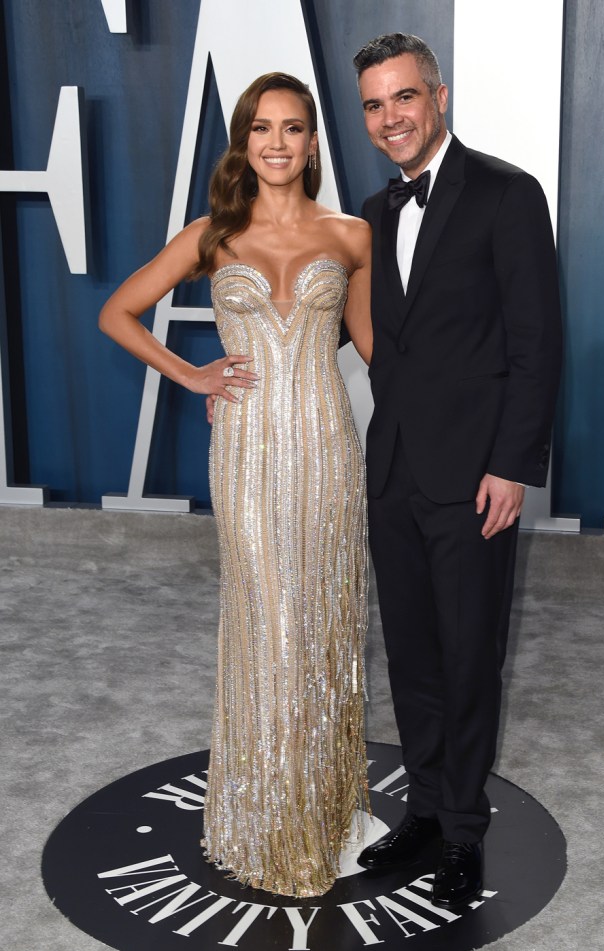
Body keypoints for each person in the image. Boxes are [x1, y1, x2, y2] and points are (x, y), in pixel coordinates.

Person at [99, 71, 373, 898]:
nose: (278, 143)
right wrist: (191, 374)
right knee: (270, 622)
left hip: (329, 451)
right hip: (248, 453)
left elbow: (379, 349)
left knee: (320, 619)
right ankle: (262, 816)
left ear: (314, 142)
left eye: (293, 128)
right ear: (243, 142)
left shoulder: (353, 235)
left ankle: (317, 812)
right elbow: (119, 310)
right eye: (262, 128)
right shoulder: (213, 234)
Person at [351, 34, 563, 908]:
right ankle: (428, 812)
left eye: (404, 97)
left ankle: (467, 830)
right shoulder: (369, 211)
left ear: (439, 96)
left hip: (475, 475)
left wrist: (511, 465)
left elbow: (535, 343)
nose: (391, 117)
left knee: (470, 658)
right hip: (393, 473)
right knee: (413, 657)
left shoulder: (509, 195)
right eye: (373, 104)